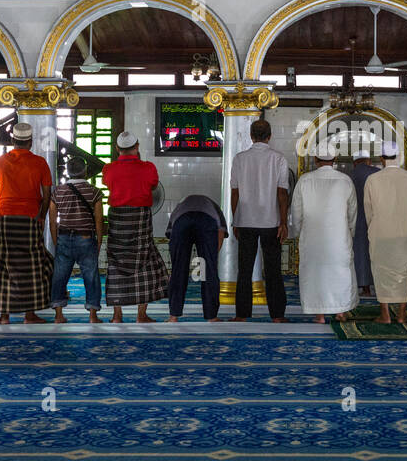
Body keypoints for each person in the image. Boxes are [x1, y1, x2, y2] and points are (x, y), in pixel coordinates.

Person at [0, 122, 53, 324]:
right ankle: (29, 315)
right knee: (33, 267)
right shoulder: (40, 163)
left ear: (13, 141)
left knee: (5, 267)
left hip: (6, 219)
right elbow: (47, 194)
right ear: (30, 142)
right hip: (31, 219)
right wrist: (42, 216)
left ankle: (4, 316)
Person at [102, 132, 167, 323]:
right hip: (140, 218)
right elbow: (154, 186)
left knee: (115, 263)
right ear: (137, 147)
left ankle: (117, 315)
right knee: (146, 260)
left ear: (117, 149)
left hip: (118, 219)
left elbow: (108, 183)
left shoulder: (109, 169)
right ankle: (141, 314)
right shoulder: (148, 168)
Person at [291, 144, 358, 323]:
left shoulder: (305, 180)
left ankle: (319, 315)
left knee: (315, 273)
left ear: (315, 159)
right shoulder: (345, 180)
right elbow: (353, 212)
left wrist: (298, 232)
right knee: (340, 273)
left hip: (312, 237)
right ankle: (340, 312)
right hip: (339, 237)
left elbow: (296, 212)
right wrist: (350, 232)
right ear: (334, 159)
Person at [230, 118, 289, 322]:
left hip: (245, 221)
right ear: (269, 136)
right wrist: (283, 222)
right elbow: (282, 193)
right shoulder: (279, 159)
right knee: (273, 269)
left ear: (251, 136)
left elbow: (235, 193)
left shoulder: (239, 158)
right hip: (270, 222)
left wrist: (235, 220)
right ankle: (277, 316)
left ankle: (241, 315)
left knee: (244, 270)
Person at [363, 141, 407, 325]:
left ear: (381, 158)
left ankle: (385, 314)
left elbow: (368, 210)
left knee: (381, 272)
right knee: (404, 272)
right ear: (400, 157)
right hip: (405, 233)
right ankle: (402, 315)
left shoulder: (373, 179)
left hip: (381, 233)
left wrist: (375, 227)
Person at [48, 155, 104, 324]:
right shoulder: (94, 192)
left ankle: (58, 315)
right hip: (86, 238)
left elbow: (52, 220)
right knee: (91, 276)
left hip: (64, 237)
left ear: (68, 172)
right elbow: (99, 220)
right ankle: (93, 316)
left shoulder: (58, 191)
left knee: (59, 276)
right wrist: (99, 241)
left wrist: (56, 240)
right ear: (85, 171)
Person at [166, 193, 228, 323]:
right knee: (208, 271)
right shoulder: (215, 208)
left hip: (181, 222)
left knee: (178, 271)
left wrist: (178, 262)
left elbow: (171, 237)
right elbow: (220, 233)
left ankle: (173, 316)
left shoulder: (180, 206)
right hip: (206, 222)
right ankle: (212, 316)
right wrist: (210, 257)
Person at [348, 149, 378, 296]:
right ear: (369, 161)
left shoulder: (349, 176)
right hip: (376, 221)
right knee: (375, 253)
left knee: (358, 253)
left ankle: (361, 287)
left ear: (354, 163)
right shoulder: (377, 173)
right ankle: (378, 288)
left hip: (355, 220)